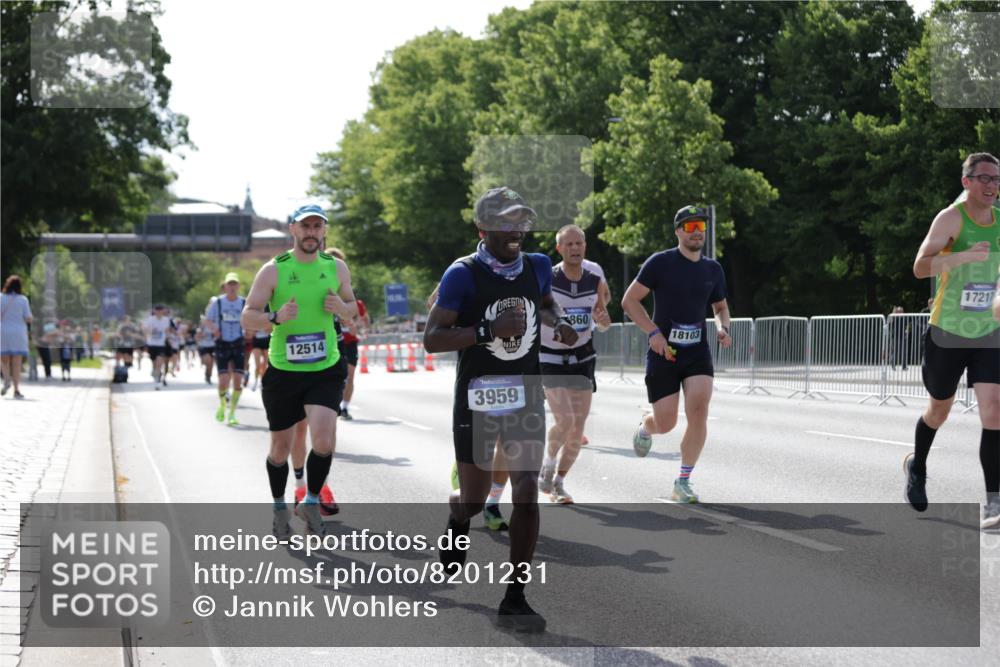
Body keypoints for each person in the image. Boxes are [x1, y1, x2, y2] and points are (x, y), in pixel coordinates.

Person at [424, 186, 579, 632]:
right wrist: (486, 328)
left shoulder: (535, 266)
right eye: (507, 223)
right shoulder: (463, 274)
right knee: (473, 501)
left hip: (524, 391)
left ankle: (515, 596)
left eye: (522, 222)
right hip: (476, 396)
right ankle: (457, 520)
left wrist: (560, 323)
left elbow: (544, 301)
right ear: (483, 228)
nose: (517, 231)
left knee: (526, 489)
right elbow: (433, 339)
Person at [242, 204, 357, 537]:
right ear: (293, 229)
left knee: (323, 440)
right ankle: (279, 506)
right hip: (284, 371)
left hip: (325, 368)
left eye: (317, 227)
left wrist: (342, 308)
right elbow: (248, 316)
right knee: (280, 447)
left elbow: (352, 310)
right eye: (305, 226)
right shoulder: (273, 270)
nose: (311, 232)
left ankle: (310, 500)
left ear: (324, 232)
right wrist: (275, 318)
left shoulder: (336, 268)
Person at [907, 152, 1000, 530]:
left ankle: (994, 501)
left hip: (988, 331)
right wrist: (961, 256)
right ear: (967, 182)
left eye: (996, 180)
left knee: (993, 411)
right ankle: (918, 466)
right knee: (939, 412)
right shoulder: (950, 219)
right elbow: (920, 267)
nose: (992, 186)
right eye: (985, 179)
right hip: (947, 331)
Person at [623, 205, 733, 504]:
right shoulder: (661, 263)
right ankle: (647, 426)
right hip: (664, 354)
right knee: (667, 422)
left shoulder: (713, 269)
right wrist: (653, 333)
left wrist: (723, 328)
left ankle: (683, 481)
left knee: (699, 411)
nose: (697, 232)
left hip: (697, 352)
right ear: (678, 231)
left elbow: (720, 306)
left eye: (701, 226)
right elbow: (630, 301)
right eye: (690, 226)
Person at [538, 225, 612, 504]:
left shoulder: (595, 280)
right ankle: (546, 466)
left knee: (577, 428)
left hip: (583, 358)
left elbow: (602, 319)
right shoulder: (548, 278)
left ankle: (558, 482)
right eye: (568, 244)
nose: (574, 248)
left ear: (585, 247)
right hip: (551, 357)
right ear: (559, 249)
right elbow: (540, 310)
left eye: (579, 243)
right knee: (565, 420)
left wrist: (604, 323)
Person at [325, 248, 369, 420]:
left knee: (349, 375)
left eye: (337, 261)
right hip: (330, 340)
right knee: (333, 375)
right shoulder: (322, 293)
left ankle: (345, 407)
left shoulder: (351, 296)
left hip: (349, 342)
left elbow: (362, 318)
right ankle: (330, 404)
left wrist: (357, 325)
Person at [205, 273, 248, 425]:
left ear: (238, 286)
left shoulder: (244, 302)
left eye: (234, 284)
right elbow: (208, 320)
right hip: (222, 342)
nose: (232, 287)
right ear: (225, 286)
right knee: (223, 379)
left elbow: (250, 319)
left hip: (238, 342)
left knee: (238, 381)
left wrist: (249, 330)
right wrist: (214, 329)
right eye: (229, 284)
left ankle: (232, 412)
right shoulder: (217, 303)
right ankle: (223, 405)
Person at [1, 275, 33, 399]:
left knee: (3, 360)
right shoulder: (23, 300)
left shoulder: (0, 298)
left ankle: (6, 379)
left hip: (3, 332)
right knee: (17, 363)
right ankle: (16, 390)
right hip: (18, 333)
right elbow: (28, 318)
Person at [142, 305, 172, 389]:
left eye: (160, 311)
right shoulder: (150, 319)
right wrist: (149, 332)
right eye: (157, 311)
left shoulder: (166, 320)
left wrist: (169, 339)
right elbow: (145, 329)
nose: (159, 313)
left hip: (161, 344)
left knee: (159, 362)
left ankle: (157, 380)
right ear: (154, 311)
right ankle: (155, 373)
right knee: (154, 363)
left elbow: (167, 331)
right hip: (151, 344)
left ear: (163, 311)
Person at [195, 316, 216, 384]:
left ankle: (208, 376)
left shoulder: (214, 327)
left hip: (212, 346)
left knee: (211, 363)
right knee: (208, 360)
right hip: (203, 346)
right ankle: (207, 372)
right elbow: (197, 337)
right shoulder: (201, 328)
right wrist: (202, 336)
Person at [888, 305, 909, 371]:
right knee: (894, 352)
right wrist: (893, 312)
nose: (901, 312)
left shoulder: (904, 318)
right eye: (899, 311)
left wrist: (907, 330)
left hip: (902, 336)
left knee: (904, 352)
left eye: (902, 311)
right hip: (895, 337)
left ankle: (904, 366)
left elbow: (907, 325)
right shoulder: (893, 317)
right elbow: (889, 321)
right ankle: (893, 365)